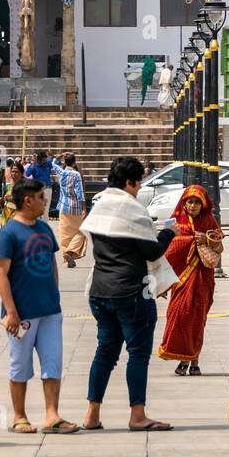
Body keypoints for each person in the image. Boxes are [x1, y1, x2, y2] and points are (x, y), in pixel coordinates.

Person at [80, 155, 177, 431]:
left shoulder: (98, 206)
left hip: (100, 291)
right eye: (138, 183)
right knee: (137, 353)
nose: (138, 189)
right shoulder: (133, 210)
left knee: (105, 353)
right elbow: (153, 251)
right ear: (130, 182)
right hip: (132, 292)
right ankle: (137, 415)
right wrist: (168, 232)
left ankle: (92, 414)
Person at [0, 177, 78, 434]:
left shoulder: (44, 228)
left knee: (53, 362)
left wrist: (55, 295)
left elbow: (51, 264)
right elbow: (1, 274)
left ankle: (52, 415)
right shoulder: (7, 234)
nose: (45, 200)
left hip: (50, 310)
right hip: (22, 314)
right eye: (41, 197)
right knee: (20, 364)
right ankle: (19, 416)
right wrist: (11, 312)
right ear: (27, 200)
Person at [157, 184, 224, 376]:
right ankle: (187, 359)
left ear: (203, 205)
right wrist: (161, 284)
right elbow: (168, 253)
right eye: (190, 202)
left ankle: (191, 360)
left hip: (202, 279)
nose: (193, 206)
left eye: (197, 202)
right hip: (181, 280)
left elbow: (219, 248)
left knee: (196, 320)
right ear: (184, 203)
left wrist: (206, 240)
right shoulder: (176, 223)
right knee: (179, 317)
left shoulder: (208, 220)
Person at [53, 152, 87, 268]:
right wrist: (84, 208)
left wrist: (61, 155)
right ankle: (70, 252)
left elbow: (53, 163)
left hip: (63, 207)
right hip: (75, 208)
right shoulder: (76, 175)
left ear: (65, 162)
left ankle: (68, 258)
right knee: (82, 231)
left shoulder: (60, 172)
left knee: (65, 235)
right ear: (74, 162)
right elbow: (80, 193)